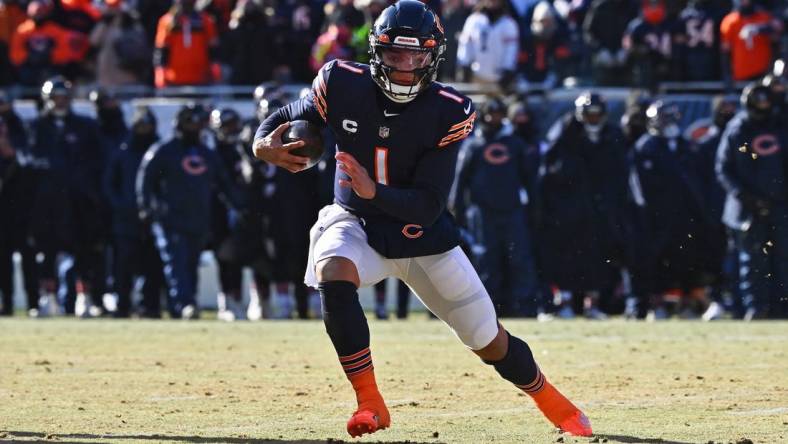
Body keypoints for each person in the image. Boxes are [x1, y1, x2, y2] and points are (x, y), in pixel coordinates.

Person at [252, 0, 592, 438]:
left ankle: (550, 399)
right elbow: (287, 116)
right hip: (356, 221)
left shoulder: (450, 110)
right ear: (376, 51)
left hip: (421, 235)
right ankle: (370, 403)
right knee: (331, 270)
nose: (406, 67)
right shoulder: (340, 80)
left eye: (417, 56)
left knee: (489, 340)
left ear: (434, 56)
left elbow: (430, 204)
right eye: (395, 55)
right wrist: (263, 143)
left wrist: (375, 190)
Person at [136, 103, 243, 319]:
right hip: (170, 219)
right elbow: (145, 180)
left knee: (192, 264)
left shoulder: (207, 153)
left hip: (199, 218)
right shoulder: (164, 150)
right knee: (176, 263)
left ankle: (189, 302)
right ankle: (183, 303)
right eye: (190, 122)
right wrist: (147, 208)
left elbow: (223, 183)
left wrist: (239, 206)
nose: (194, 127)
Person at [536, 91, 630, 319]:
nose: (594, 120)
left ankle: (592, 303)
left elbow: (621, 173)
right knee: (566, 255)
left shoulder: (612, 135)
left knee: (598, 256)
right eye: (589, 115)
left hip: (600, 210)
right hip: (569, 208)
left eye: (598, 115)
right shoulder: (566, 133)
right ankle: (565, 301)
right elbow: (549, 171)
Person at [450, 96, 540, 317]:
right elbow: (460, 182)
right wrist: (457, 213)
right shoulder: (473, 145)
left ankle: (523, 307)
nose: (495, 119)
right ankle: (487, 310)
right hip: (482, 213)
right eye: (491, 114)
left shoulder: (514, 144)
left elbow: (529, 179)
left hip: (512, 211)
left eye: (499, 114)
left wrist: (535, 210)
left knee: (520, 259)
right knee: (486, 261)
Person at [716, 83, 788, 320]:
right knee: (752, 260)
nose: (763, 106)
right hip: (747, 208)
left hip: (780, 205)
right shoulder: (737, 129)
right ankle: (755, 307)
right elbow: (723, 169)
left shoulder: (780, 126)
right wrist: (747, 198)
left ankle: (781, 307)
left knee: (782, 257)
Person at [103, 106, 164, 318]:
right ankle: (122, 305)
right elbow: (110, 183)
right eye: (141, 126)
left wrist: (156, 208)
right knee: (123, 265)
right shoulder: (123, 151)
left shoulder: (160, 150)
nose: (144, 130)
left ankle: (151, 306)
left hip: (153, 219)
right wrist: (121, 205)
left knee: (152, 265)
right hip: (125, 218)